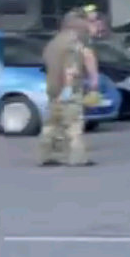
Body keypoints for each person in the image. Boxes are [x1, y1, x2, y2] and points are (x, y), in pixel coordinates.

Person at [40, 9, 100, 167]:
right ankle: (77, 158)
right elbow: (72, 68)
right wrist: (90, 83)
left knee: (52, 124)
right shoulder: (74, 43)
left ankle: (47, 155)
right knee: (73, 124)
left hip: (52, 88)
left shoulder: (53, 43)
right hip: (69, 88)